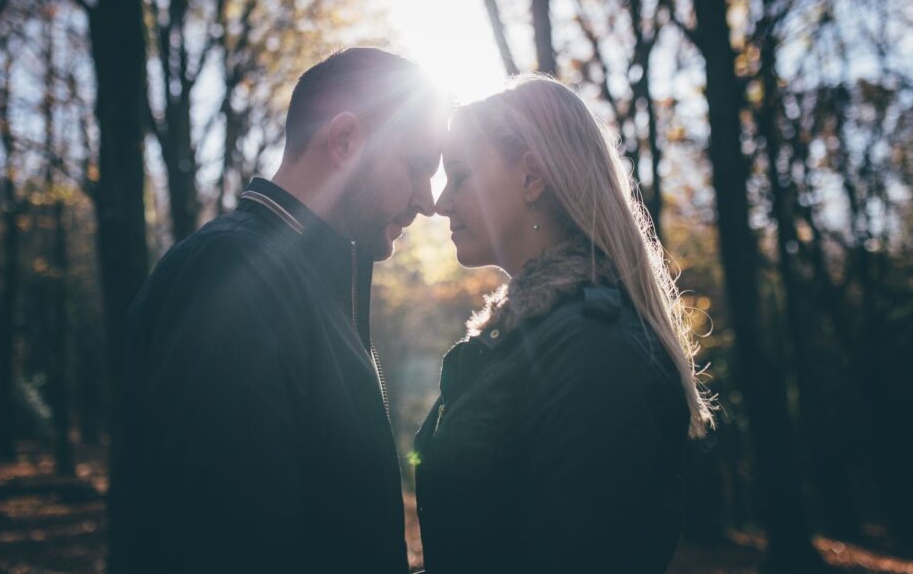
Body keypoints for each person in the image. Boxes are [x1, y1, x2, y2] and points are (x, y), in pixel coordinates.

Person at [121, 48, 448, 573]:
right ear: (345, 142)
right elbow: (221, 547)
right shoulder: (230, 277)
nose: (428, 202)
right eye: (416, 167)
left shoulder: (310, 285)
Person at [413, 75, 714, 573]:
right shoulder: (527, 339)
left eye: (461, 175)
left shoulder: (595, 351)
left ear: (532, 177)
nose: (441, 202)